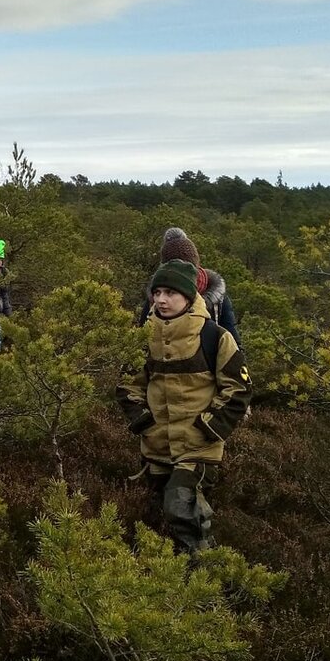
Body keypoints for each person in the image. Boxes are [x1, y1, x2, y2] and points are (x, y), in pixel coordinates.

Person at [117, 259, 251, 555]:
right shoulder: (142, 337)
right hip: (155, 447)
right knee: (155, 519)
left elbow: (239, 389)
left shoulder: (215, 337)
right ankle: (165, 580)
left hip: (198, 448)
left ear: (189, 297)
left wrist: (207, 427)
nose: (161, 299)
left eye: (170, 293)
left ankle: (202, 581)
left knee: (182, 509)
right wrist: (143, 422)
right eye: (157, 292)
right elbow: (128, 385)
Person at [138, 227, 240, 347]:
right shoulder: (156, 298)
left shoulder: (218, 300)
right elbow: (141, 340)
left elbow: (233, 341)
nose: (161, 299)